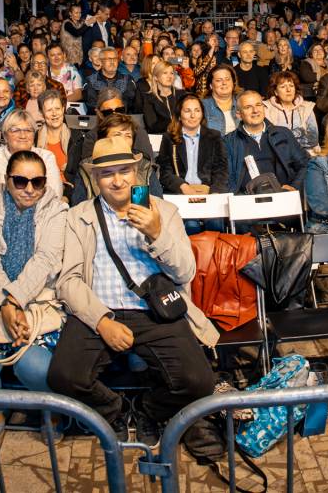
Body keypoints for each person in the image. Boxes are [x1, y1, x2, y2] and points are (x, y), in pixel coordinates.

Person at [47, 129, 229, 468]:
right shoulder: (78, 216)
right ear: (95, 178)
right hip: (99, 310)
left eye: (124, 171)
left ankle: (148, 410)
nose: (117, 181)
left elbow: (185, 272)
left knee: (198, 381)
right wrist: (102, 322)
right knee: (64, 376)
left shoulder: (164, 211)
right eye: (107, 173)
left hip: (154, 309)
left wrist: (156, 233)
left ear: (136, 172)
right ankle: (114, 411)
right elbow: (68, 281)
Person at [0, 148, 68, 427]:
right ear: (7, 179)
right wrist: (4, 302)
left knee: (34, 367)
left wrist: (14, 301)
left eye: (37, 182)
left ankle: (52, 410)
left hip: (38, 300)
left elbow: (47, 260)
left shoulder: (57, 209)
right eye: (20, 181)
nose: (29, 189)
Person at [225, 89, 309, 194]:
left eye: (258, 105)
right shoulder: (229, 141)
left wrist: (294, 187)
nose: (255, 110)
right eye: (248, 107)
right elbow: (227, 178)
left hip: (283, 195)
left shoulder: (283, 134)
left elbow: (305, 164)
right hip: (247, 199)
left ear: (264, 108)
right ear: (238, 114)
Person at [0, 110, 60, 203]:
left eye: (28, 130)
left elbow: (54, 196)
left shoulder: (46, 157)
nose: (23, 136)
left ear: (34, 134)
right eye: (15, 130)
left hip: (42, 212)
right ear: (5, 135)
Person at [156, 92, 230, 196]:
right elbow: (165, 172)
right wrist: (182, 186)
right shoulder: (169, 138)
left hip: (208, 192)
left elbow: (221, 170)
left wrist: (215, 192)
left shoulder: (214, 137)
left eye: (197, 110)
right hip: (180, 192)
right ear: (179, 115)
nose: (193, 115)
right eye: (187, 111)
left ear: (202, 114)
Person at [263, 70, 319, 151]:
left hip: (305, 154)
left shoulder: (306, 107)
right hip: (278, 155)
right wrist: (300, 132)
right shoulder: (267, 109)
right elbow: (269, 139)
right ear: (276, 92)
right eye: (283, 87)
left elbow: (313, 139)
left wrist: (283, 137)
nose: (288, 90)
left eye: (291, 86)